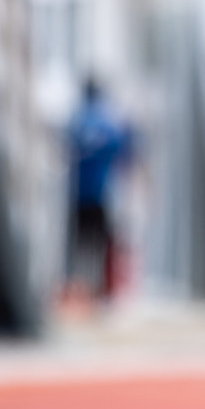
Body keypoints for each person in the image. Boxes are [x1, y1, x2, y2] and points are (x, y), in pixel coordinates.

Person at [66, 78, 134, 301]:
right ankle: (96, 288)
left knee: (80, 243)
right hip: (100, 192)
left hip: (77, 193)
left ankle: (79, 285)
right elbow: (124, 151)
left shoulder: (76, 121)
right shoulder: (107, 123)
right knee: (100, 243)